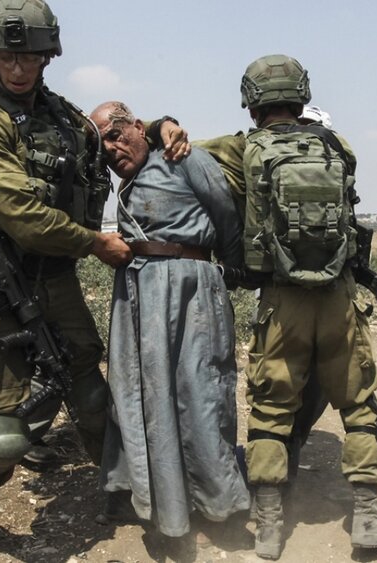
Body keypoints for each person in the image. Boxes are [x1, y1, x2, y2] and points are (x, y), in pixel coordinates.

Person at [0, 2, 188, 562]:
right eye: (6, 56)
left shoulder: (61, 116)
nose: (17, 67)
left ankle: (119, 487)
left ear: (48, 55)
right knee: (2, 435)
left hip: (56, 276)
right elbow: (19, 213)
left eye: (28, 56)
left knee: (92, 395)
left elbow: (111, 138)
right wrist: (96, 242)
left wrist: (161, 125)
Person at [192, 54, 377, 559]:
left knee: (272, 408)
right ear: (302, 96)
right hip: (338, 297)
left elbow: (189, 153)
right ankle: (368, 515)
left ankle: (269, 526)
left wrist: (163, 128)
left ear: (251, 103)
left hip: (281, 301)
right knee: (358, 404)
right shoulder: (339, 146)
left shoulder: (242, 149)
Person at [89, 101, 250, 537]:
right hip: (136, 293)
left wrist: (226, 273)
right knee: (137, 392)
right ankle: (142, 495)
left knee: (200, 390)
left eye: (116, 135)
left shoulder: (185, 157)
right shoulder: (125, 180)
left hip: (190, 288)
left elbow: (226, 216)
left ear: (138, 128)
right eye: (103, 145)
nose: (111, 149)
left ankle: (217, 504)